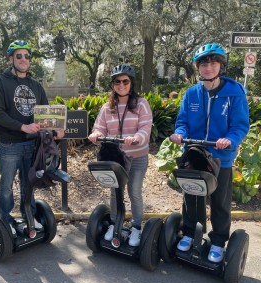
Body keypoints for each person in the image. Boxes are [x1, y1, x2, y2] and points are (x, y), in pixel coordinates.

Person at [170, 43, 250, 263]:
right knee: (192, 197)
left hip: (220, 157)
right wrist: (179, 133)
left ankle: (217, 241)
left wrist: (230, 139)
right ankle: (189, 233)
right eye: (204, 63)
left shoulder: (234, 92)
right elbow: (183, 122)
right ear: (198, 67)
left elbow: (240, 125)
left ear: (221, 65)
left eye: (213, 62)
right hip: (194, 154)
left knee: (220, 201)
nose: (208, 67)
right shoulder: (191, 94)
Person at [0, 40, 64, 234]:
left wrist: (55, 131)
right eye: (19, 56)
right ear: (11, 58)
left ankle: (28, 215)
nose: (23, 59)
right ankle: (5, 219)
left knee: (28, 183)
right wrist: (23, 126)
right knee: (6, 186)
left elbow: (46, 113)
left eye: (27, 56)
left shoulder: (36, 85)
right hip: (10, 145)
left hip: (32, 145)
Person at [88, 64, 153, 246]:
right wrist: (96, 135)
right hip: (116, 158)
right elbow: (100, 127)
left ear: (131, 83)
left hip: (137, 156)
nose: (121, 85)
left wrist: (137, 138)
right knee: (115, 192)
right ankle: (115, 223)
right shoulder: (107, 106)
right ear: (113, 84)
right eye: (117, 81)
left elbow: (145, 128)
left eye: (125, 81)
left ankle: (137, 228)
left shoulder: (141, 104)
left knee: (134, 191)